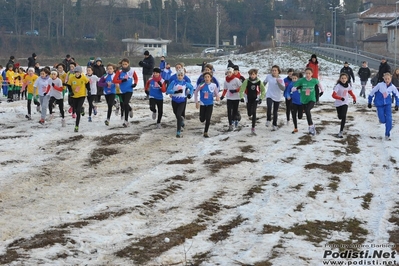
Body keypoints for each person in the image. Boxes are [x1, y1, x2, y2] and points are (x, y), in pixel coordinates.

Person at [291, 67, 323, 136]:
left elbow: (319, 84)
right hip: (303, 100)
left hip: (312, 99)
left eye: (309, 73)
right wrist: (297, 88)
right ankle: (311, 126)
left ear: (312, 74)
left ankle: (311, 127)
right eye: (306, 73)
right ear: (305, 74)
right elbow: (293, 89)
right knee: (305, 113)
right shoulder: (301, 80)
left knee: (307, 110)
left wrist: (322, 91)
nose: (308, 75)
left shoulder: (314, 80)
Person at [368, 72, 399, 140]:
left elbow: (397, 95)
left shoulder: (392, 87)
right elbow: (372, 92)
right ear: (383, 79)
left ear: (391, 79)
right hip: (379, 104)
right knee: (382, 119)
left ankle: (387, 134)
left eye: (388, 79)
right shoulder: (379, 85)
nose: (387, 80)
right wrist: (369, 102)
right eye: (386, 79)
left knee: (389, 119)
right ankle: (382, 120)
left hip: (388, 104)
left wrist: (397, 105)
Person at [166, 69, 194, 138]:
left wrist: (190, 94)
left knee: (178, 114)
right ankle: (181, 120)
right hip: (174, 101)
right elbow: (168, 90)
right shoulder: (173, 82)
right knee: (176, 114)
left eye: (181, 75)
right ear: (177, 75)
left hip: (182, 101)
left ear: (183, 76)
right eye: (179, 75)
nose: (180, 76)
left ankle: (178, 131)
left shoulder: (185, 83)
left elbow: (192, 88)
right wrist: (175, 92)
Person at [239, 68, 266, 135]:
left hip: (255, 98)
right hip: (248, 98)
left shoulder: (259, 81)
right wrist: (242, 97)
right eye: (251, 74)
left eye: (253, 74)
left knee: (254, 112)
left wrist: (261, 98)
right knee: (249, 113)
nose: (252, 76)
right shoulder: (247, 81)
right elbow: (242, 90)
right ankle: (249, 113)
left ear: (256, 75)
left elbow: (263, 90)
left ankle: (253, 127)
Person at [113, 58, 138, 127]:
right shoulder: (119, 72)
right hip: (121, 90)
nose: (124, 65)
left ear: (128, 64)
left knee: (125, 103)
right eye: (123, 64)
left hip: (129, 90)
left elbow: (136, 78)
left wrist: (135, 83)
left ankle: (126, 121)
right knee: (124, 104)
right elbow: (114, 80)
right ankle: (130, 109)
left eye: (126, 64)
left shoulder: (132, 71)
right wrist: (121, 81)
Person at [194, 72, 220, 138]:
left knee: (208, 118)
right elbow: (196, 92)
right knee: (202, 119)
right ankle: (201, 116)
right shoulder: (201, 85)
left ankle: (206, 132)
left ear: (211, 78)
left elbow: (217, 93)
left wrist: (217, 97)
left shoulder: (213, 85)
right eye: (205, 77)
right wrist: (196, 102)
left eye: (208, 77)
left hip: (210, 103)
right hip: (202, 103)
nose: (207, 78)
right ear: (204, 78)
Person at [332, 73, 356, 138]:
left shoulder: (348, 85)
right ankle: (341, 118)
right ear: (340, 79)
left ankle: (341, 131)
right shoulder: (338, 86)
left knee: (344, 116)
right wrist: (340, 98)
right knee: (340, 117)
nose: (343, 79)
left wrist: (354, 98)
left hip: (345, 103)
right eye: (342, 78)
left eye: (345, 78)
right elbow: (333, 95)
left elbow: (350, 92)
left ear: (347, 79)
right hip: (338, 104)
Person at [66, 66, 90, 132]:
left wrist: (89, 90)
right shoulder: (72, 78)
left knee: (78, 111)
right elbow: (69, 85)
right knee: (76, 109)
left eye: (78, 72)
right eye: (76, 72)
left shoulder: (83, 77)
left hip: (82, 95)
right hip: (74, 96)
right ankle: (82, 108)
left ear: (80, 72)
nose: (77, 74)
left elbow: (87, 83)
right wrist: (70, 92)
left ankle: (76, 126)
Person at [263, 65, 285, 131]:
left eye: (275, 70)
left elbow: (283, 88)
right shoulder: (268, 76)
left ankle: (274, 124)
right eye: (272, 70)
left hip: (277, 96)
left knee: (275, 111)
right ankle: (268, 119)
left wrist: (278, 82)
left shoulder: (281, 79)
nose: (274, 72)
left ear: (278, 71)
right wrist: (259, 88)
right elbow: (263, 83)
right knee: (269, 107)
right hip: (269, 95)